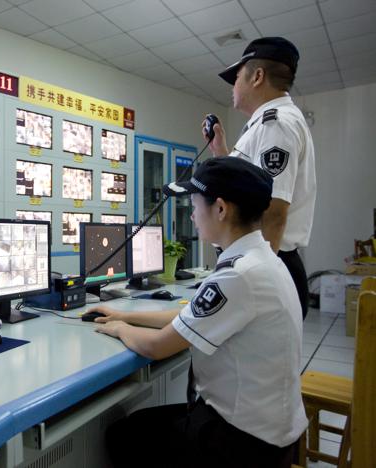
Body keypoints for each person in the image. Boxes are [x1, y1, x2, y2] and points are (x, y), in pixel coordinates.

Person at [88, 157, 307, 467]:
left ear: (221, 209)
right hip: (269, 432)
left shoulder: (238, 275)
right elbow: (191, 316)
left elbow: (156, 346)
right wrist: (124, 315)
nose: (191, 215)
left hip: (244, 444)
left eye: (194, 205)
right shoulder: (262, 260)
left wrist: (117, 329)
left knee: (124, 435)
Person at [204, 37, 316, 320]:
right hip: (261, 262)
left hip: (266, 266)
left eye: (236, 78)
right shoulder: (263, 125)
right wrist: (222, 153)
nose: (233, 87)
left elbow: (274, 213)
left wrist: (251, 279)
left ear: (257, 77)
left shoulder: (276, 124)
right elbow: (252, 192)